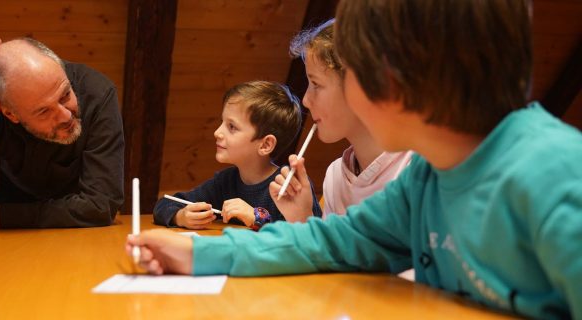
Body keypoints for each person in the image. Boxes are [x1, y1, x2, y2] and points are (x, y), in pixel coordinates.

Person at [127, 1, 582, 318]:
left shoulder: (556, 177)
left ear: (398, 79)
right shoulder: (427, 175)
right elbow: (328, 243)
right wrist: (200, 252)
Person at [0, 38, 125, 233]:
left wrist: (3, 216)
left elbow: (101, 205)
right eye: (44, 111)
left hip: (77, 239)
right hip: (2, 246)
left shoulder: (97, 93)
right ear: (10, 114)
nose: (66, 115)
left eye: (65, 95)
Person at [274, 19, 413, 223]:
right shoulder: (335, 177)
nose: (305, 100)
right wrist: (301, 219)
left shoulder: (415, 172)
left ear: (360, 87)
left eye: (315, 84)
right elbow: (331, 256)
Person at [153, 81, 323, 230]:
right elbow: (164, 203)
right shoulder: (224, 182)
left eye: (232, 127)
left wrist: (256, 218)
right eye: (222, 122)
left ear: (265, 145)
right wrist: (181, 216)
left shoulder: (289, 184)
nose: (217, 132)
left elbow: (310, 235)